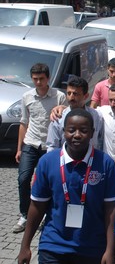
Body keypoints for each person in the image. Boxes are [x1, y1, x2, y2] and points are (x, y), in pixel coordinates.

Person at [17, 109, 115, 264]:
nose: (77, 135)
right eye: (71, 130)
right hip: (53, 245)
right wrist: (25, 246)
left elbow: (110, 209)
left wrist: (110, 249)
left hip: (92, 247)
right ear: (64, 132)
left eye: (83, 131)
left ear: (92, 133)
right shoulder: (48, 162)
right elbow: (37, 206)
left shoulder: (105, 163)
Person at [14, 63, 67, 233]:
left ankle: (45, 214)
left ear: (48, 78)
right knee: (23, 179)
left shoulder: (59, 96)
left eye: (41, 79)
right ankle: (25, 214)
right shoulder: (27, 97)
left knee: (48, 181)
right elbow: (23, 123)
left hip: (49, 146)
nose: (38, 82)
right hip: (31, 142)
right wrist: (19, 148)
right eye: (35, 79)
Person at [46, 76, 104, 152]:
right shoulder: (59, 117)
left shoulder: (96, 116)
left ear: (86, 96)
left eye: (75, 94)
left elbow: (101, 140)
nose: (71, 97)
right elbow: (52, 146)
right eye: (69, 93)